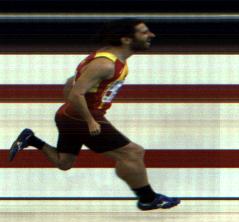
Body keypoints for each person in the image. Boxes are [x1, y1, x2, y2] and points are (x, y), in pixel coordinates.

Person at [9, 18, 179, 210]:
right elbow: (76, 93)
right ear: (126, 39)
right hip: (81, 118)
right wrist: (90, 120)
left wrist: (71, 111)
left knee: (64, 162)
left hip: (69, 116)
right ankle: (148, 199)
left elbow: (70, 83)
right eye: (144, 32)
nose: (151, 35)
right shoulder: (105, 64)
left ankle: (31, 139)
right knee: (132, 153)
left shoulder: (107, 58)